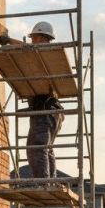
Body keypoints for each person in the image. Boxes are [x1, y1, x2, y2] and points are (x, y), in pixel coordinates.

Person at [26, 21, 65, 179]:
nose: (32, 40)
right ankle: (49, 180)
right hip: (51, 111)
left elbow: (27, 50)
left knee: (37, 147)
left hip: (46, 109)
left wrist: (8, 41)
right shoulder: (44, 57)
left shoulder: (45, 55)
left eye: (34, 37)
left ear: (42, 37)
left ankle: (43, 181)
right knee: (45, 148)